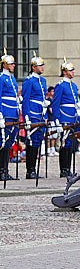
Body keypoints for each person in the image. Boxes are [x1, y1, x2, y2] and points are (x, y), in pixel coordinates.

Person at [51, 58, 80, 178]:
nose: (73, 72)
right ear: (64, 72)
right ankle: (63, 169)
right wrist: (57, 121)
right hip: (64, 118)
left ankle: (68, 168)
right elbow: (56, 103)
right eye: (70, 70)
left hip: (72, 118)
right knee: (64, 144)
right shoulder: (60, 85)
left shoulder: (73, 85)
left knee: (70, 144)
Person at [21, 53, 47, 178]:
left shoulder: (43, 80)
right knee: (31, 142)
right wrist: (26, 117)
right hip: (32, 113)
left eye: (42, 65)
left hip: (40, 113)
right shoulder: (29, 80)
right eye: (39, 65)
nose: (42, 67)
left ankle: (34, 170)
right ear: (33, 67)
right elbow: (25, 100)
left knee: (37, 142)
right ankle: (29, 170)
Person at [0, 52, 20, 180]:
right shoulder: (1, 77)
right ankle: (1, 170)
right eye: (10, 63)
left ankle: (5, 170)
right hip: (5, 113)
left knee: (9, 142)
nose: (13, 65)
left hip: (13, 114)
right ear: (4, 65)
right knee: (2, 142)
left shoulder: (12, 78)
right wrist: (0, 115)